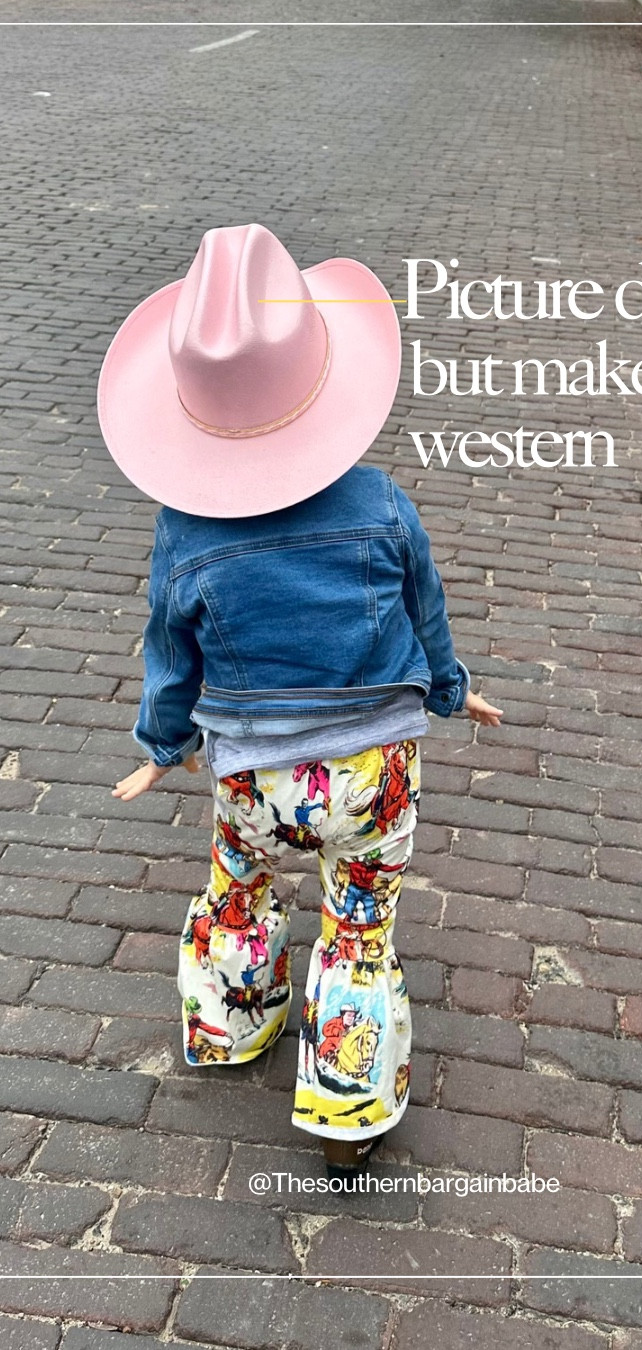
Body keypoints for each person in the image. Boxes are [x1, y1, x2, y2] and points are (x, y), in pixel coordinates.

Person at [98, 222, 502, 1184]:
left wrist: (160, 742)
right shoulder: (381, 506)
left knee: (238, 889)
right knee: (359, 923)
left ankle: (230, 1026)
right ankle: (348, 1108)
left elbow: (171, 649)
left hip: (252, 779)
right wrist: (451, 690)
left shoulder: (186, 535)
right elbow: (426, 614)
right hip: (370, 775)